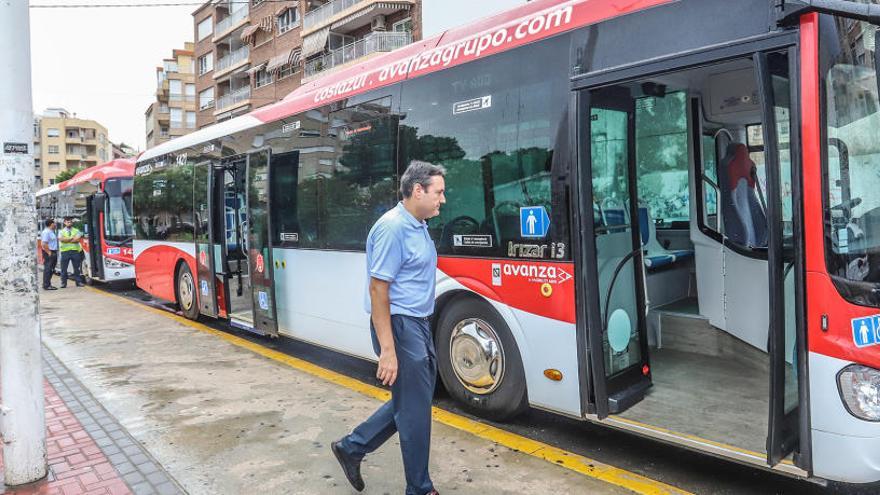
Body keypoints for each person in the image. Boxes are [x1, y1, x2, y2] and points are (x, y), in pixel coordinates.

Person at [331, 161, 446, 495]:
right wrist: (388, 350)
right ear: (417, 190)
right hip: (399, 324)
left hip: (416, 323)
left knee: (413, 402)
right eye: (438, 192)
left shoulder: (417, 224)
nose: (443, 199)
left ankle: (352, 447)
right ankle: (420, 489)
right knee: (415, 411)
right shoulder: (393, 228)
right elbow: (378, 290)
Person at [58, 216, 85, 288]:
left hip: (75, 251)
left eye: (70, 222)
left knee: (77, 268)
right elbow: (61, 240)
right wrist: (72, 238)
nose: (69, 223)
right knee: (64, 269)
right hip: (65, 252)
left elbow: (77, 240)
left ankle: (78, 282)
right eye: (67, 222)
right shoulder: (61, 231)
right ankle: (63, 283)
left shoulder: (76, 230)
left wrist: (67, 239)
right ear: (64, 223)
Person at [40, 219, 59, 290]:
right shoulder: (46, 232)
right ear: (51, 224)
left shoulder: (51, 231)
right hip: (49, 252)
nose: (55, 224)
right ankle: (46, 285)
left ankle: (47, 284)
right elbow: (44, 244)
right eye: (54, 223)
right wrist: (49, 252)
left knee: (51, 269)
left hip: (52, 251)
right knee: (48, 268)